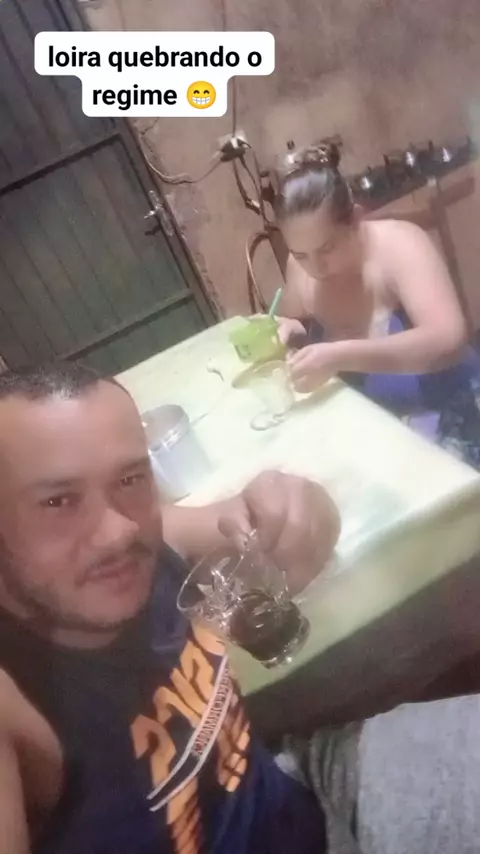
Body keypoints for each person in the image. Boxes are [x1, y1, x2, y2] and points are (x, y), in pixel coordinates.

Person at [3, 362, 480, 854]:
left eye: (130, 479)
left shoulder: (147, 537)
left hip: (305, 788)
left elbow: (256, 523)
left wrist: (302, 507)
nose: (119, 531)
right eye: (58, 502)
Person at [274, 143, 480, 469]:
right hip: (373, 423)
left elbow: (448, 337)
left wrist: (341, 355)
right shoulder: (299, 267)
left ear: (356, 219)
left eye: (327, 248)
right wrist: (290, 329)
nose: (316, 266)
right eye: (301, 254)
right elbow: (295, 317)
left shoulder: (399, 245)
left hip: (450, 414)